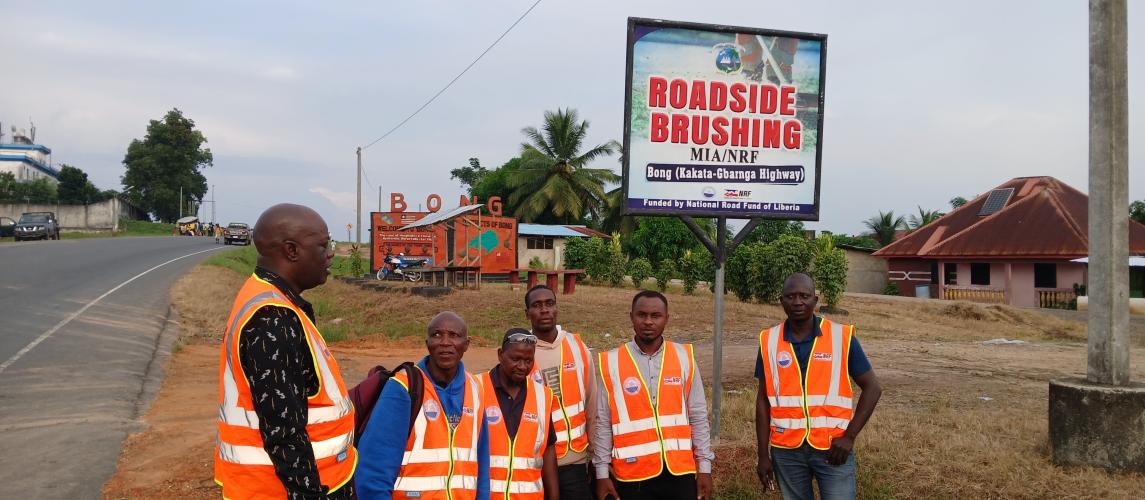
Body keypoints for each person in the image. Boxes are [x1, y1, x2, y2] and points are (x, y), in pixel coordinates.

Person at [214, 203, 357, 499]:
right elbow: (284, 432)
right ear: (292, 251)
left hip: (311, 480)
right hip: (278, 489)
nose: (330, 253)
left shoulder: (271, 299)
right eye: (323, 245)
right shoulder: (271, 318)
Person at [754, 273, 882, 499]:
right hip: (786, 450)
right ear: (781, 300)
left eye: (804, 296)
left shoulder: (841, 336)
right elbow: (763, 400)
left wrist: (849, 437)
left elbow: (873, 388)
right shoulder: (768, 340)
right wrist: (763, 454)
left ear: (816, 299)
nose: (797, 302)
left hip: (833, 448)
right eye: (790, 296)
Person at [356, 311, 490, 500]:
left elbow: (482, 465)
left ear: (466, 344)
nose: (445, 342)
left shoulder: (476, 389)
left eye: (454, 335)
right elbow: (374, 470)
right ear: (427, 343)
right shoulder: (403, 387)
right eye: (437, 335)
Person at [594, 291, 714, 500]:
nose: (648, 321)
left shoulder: (683, 357)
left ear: (666, 319)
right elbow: (603, 421)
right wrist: (601, 472)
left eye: (655, 316)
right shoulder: (611, 362)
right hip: (633, 476)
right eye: (641, 315)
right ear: (631, 317)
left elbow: (698, 415)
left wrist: (704, 467)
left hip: (679, 472)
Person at [524, 285, 597, 498]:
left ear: (556, 308)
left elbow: (592, 403)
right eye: (536, 305)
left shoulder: (577, 346)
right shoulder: (522, 352)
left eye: (549, 303)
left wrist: (596, 457)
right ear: (527, 313)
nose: (544, 310)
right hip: (535, 463)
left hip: (574, 462)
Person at [481, 328, 560, 500]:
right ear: (501, 355)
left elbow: (548, 451)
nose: (523, 366)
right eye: (515, 359)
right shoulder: (476, 389)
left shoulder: (543, 396)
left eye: (528, 360)